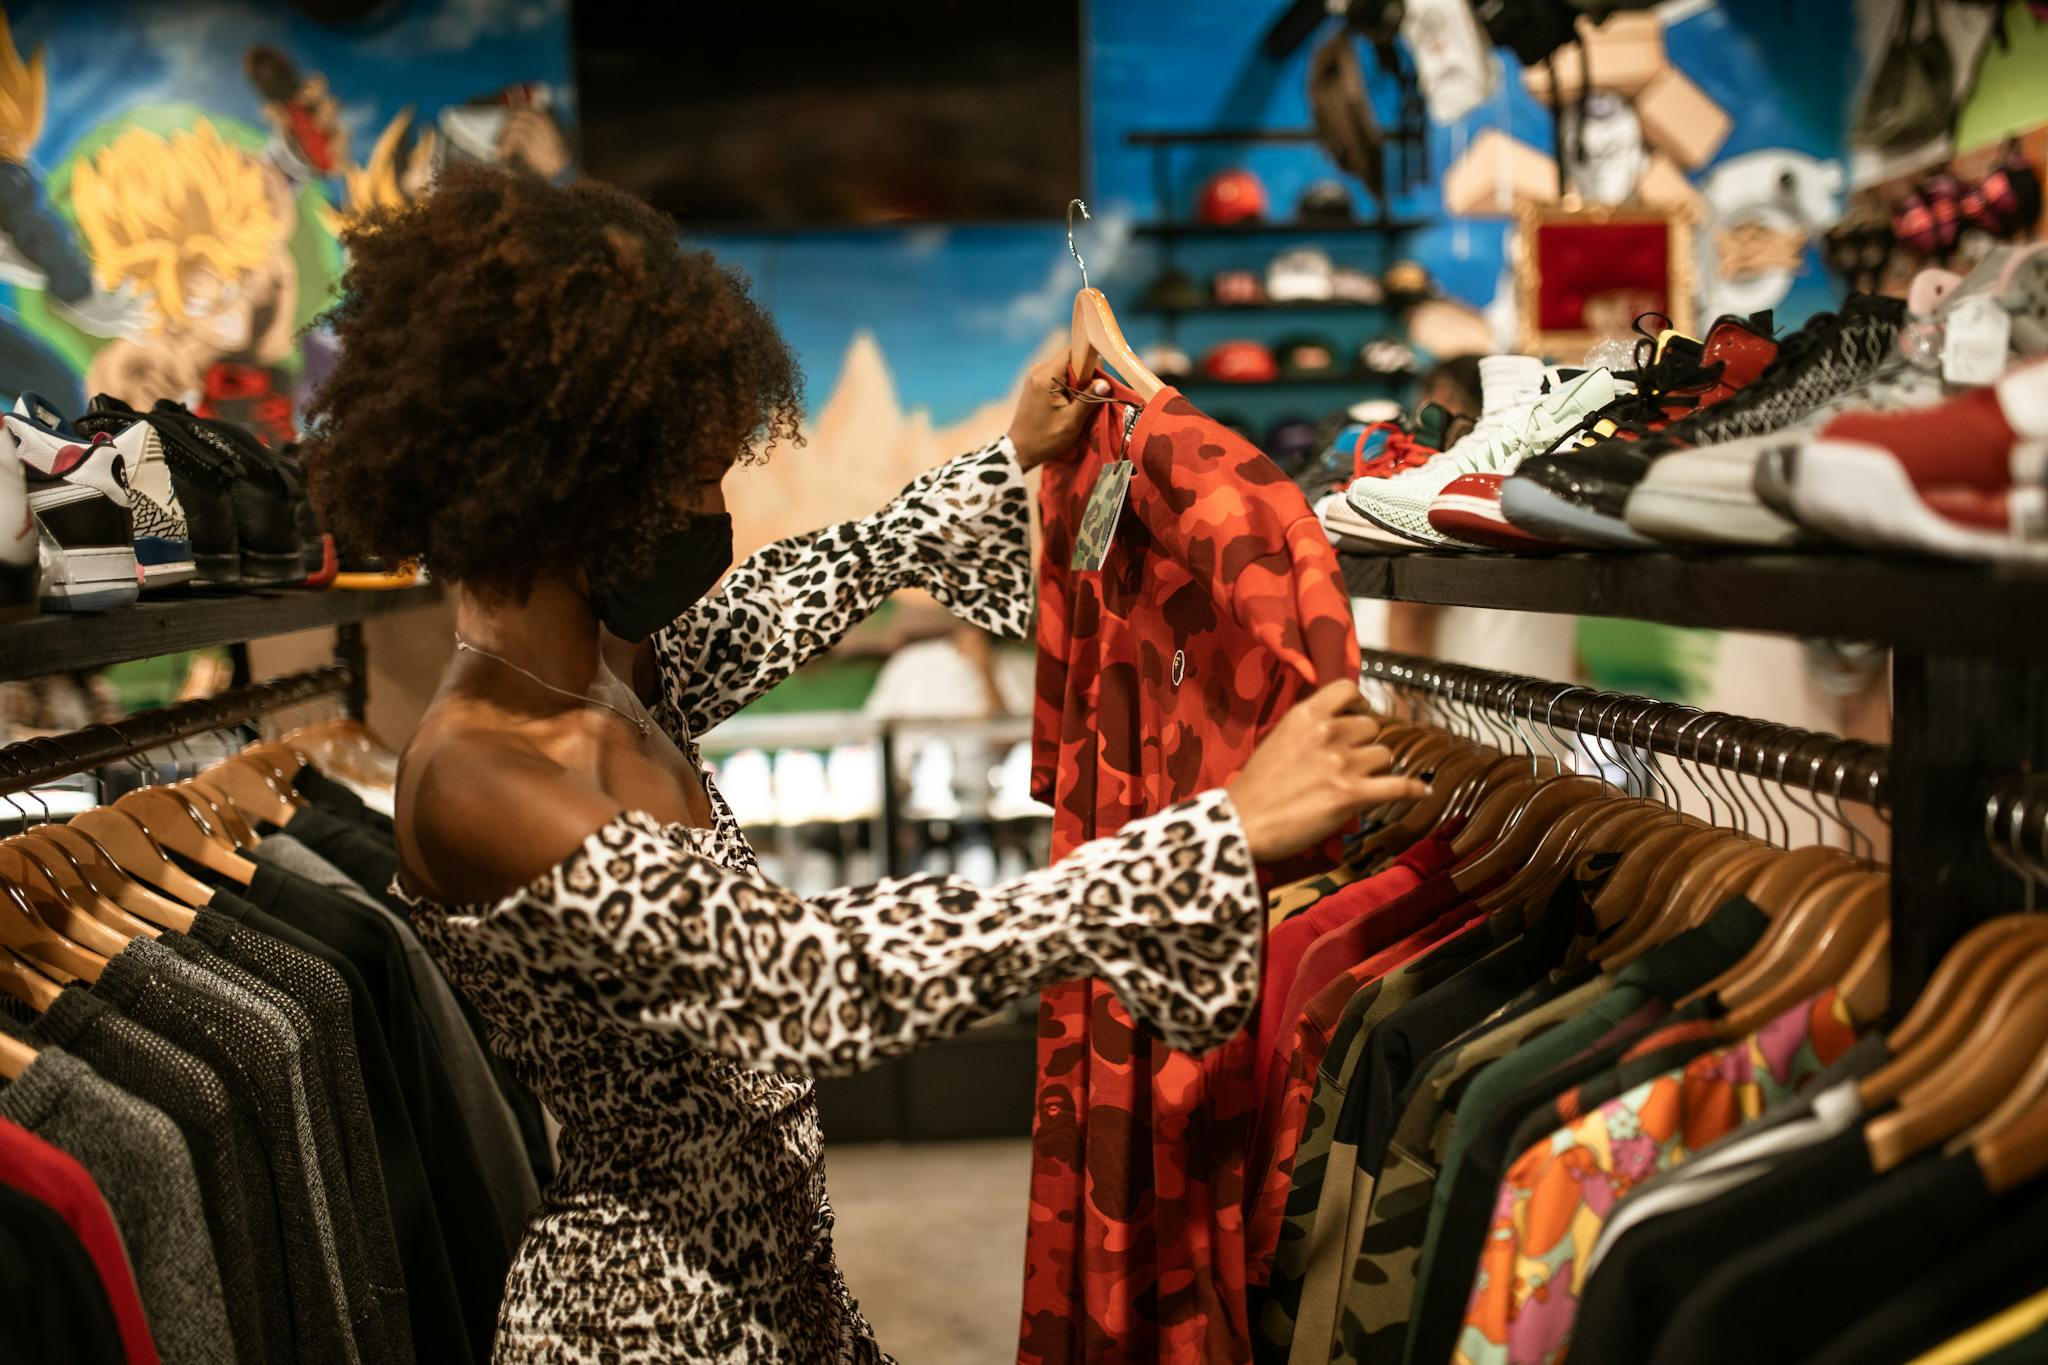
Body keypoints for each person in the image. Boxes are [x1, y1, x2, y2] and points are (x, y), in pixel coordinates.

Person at [300, 165, 1422, 1364]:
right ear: (567, 483)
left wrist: (1005, 456)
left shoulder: (611, 676)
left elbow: (804, 588)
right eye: (684, 473)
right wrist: (1211, 837)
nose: (710, 503)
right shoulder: (476, 779)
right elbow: (801, 981)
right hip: (643, 1327)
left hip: (782, 1293)